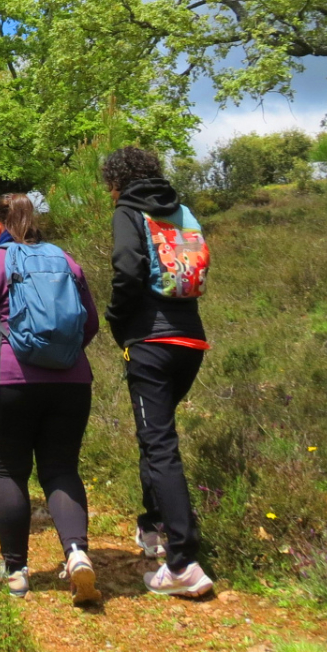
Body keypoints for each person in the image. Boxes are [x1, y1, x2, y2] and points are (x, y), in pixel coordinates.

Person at [0, 193, 101, 604]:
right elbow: (91, 322)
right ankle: (76, 552)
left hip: (10, 381)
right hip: (72, 383)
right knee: (62, 469)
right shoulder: (66, 261)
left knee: (9, 471)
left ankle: (16, 570)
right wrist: (64, 357)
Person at [101, 146, 215, 598]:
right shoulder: (181, 210)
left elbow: (128, 269)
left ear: (116, 181)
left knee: (159, 443)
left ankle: (183, 560)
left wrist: (115, 319)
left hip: (150, 340)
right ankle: (151, 528)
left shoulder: (128, 210)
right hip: (191, 337)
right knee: (157, 435)